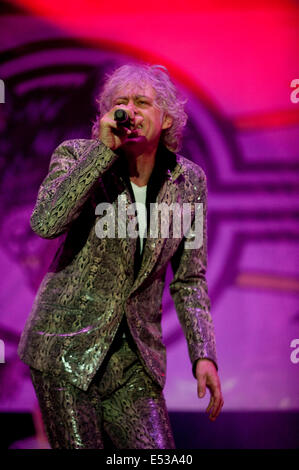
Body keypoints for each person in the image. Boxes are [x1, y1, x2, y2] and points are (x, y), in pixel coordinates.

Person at [18, 63, 224, 449]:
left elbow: (189, 278)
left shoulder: (188, 181)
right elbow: (46, 222)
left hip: (135, 362)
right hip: (64, 352)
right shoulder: (76, 156)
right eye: (119, 104)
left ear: (166, 118)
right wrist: (100, 153)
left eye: (141, 102)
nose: (128, 111)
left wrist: (204, 355)